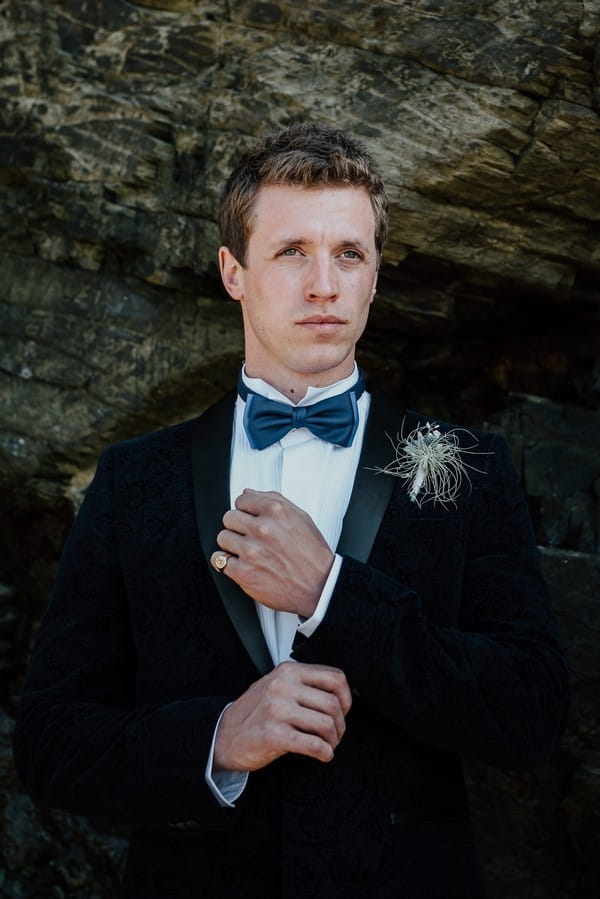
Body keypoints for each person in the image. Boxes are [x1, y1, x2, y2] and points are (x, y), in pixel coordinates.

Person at [14, 122, 568, 898]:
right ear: (233, 271)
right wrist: (217, 739)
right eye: (290, 252)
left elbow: (531, 712)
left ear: (376, 275)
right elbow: (48, 741)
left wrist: (332, 595)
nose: (323, 285)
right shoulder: (134, 479)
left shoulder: (468, 468)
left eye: (349, 253)